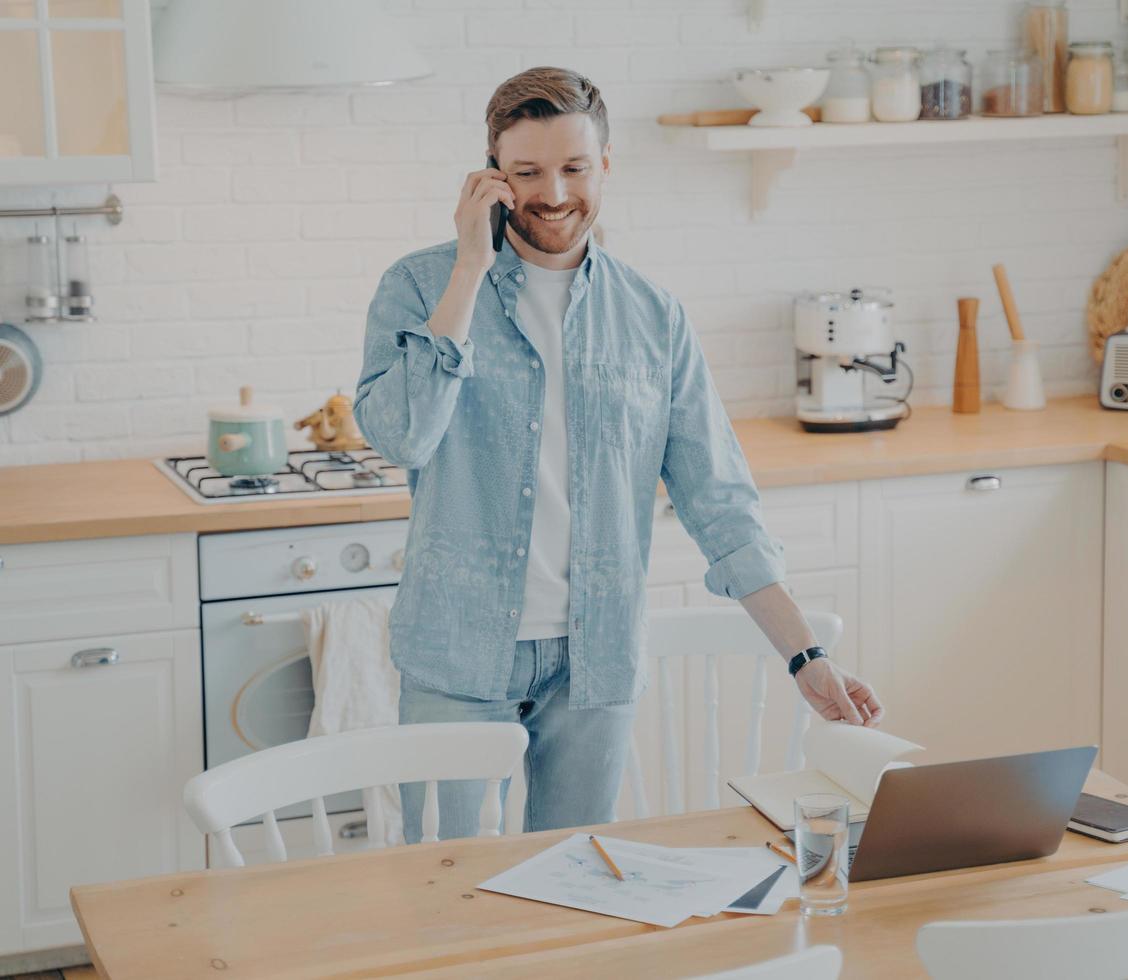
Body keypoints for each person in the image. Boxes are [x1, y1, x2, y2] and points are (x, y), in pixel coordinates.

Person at [354, 67, 884, 840]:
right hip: (456, 655)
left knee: (576, 882)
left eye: (575, 167)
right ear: (492, 178)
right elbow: (404, 435)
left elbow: (721, 505)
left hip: (595, 666)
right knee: (444, 896)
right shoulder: (420, 286)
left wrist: (806, 659)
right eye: (528, 172)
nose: (554, 193)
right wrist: (470, 266)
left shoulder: (653, 317)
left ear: (607, 167)